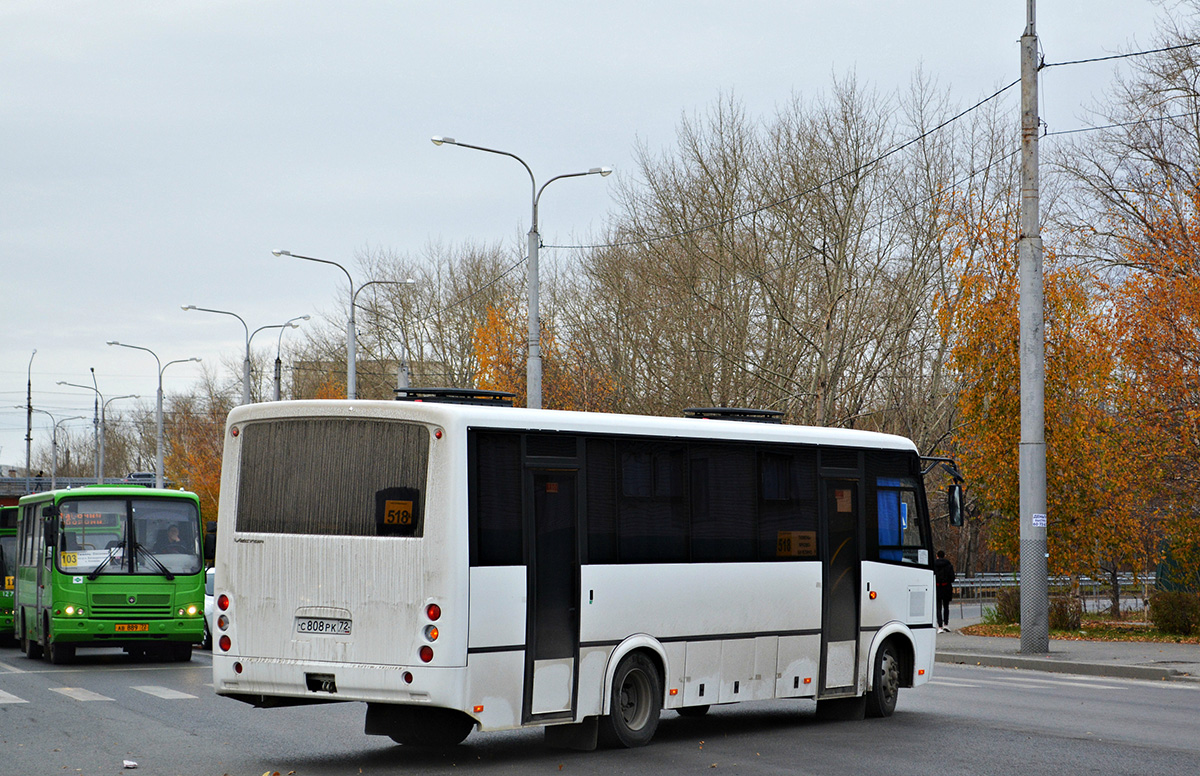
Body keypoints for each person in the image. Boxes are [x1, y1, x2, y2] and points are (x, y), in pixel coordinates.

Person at [933, 550, 955, 632]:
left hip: (937, 587)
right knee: (946, 606)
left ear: (937, 556)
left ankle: (940, 627)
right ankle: (946, 624)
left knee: (938, 607)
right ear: (944, 555)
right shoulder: (948, 565)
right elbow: (952, 578)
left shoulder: (934, 565)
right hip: (946, 588)